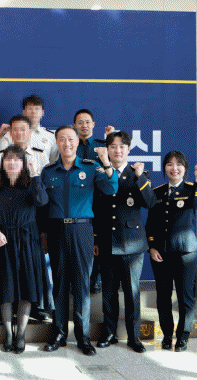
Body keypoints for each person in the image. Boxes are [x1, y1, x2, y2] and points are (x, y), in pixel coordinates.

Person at [41, 125, 118, 356]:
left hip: (82, 229)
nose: (67, 143)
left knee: (82, 284)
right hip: (56, 230)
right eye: (62, 139)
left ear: (77, 142)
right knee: (59, 284)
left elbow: (111, 188)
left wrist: (107, 163)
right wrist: (43, 234)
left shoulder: (91, 167)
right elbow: (42, 206)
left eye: (71, 139)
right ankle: (59, 334)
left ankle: (83, 337)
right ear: (57, 143)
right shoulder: (48, 171)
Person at [93, 131, 155, 353]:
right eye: (113, 146)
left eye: (122, 147)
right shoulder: (100, 173)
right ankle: (109, 332)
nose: (117, 150)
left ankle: (133, 336)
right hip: (107, 241)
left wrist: (140, 178)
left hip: (132, 243)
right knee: (109, 292)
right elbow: (96, 209)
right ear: (107, 150)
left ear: (128, 149)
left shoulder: (139, 173)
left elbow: (150, 203)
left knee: (132, 292)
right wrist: (96, 239)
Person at [0, 145, 49, 354]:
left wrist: (36, 174)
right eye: (8, 159)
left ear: (23, 163)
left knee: (26, 287)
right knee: (5, 289)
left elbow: (42, 201)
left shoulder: (32, 183)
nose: (12, 163)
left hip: (28, 241)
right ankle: (8, 333)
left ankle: (21, 334)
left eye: (16, 159)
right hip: (2, 241)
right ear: (2, 163)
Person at [146, 151, 197, 352]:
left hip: (185, 253)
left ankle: (183, 337)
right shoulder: (157, 192)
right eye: (170, 164)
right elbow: (150, 223)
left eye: (179, 164)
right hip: (161, 254)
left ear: (185, 168)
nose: (174, 168)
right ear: (165, 168)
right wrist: (152, 247)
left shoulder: (192, 189)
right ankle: (166, 336)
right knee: (163, 297)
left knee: (185, 297)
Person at [73, 109, 114, 294]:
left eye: (87, 122)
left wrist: (111, 138)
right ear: (75, 125)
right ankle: (79, 280)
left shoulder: (102, 146)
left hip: (100, 200)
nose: (84, 125)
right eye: (80, 122)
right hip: (77, 201)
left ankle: (95, 278)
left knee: (98, 239)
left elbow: (114, 165)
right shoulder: (70, 146)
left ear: (93, 124)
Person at [0, 115, 49, 185]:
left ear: (30, 132)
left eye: (23, 129)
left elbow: (47, 182)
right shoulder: (2, 155)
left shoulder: (40, 155)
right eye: (16, 129)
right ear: (10, 133)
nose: (19, 132)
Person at [0, 94, 58, 163]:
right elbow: (0, 159)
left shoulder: (50, 136)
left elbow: (53, 162)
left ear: (42, 112)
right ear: (24, 112)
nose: (33, 112)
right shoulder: (10, 134)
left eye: (37, 108)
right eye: (30, 108)